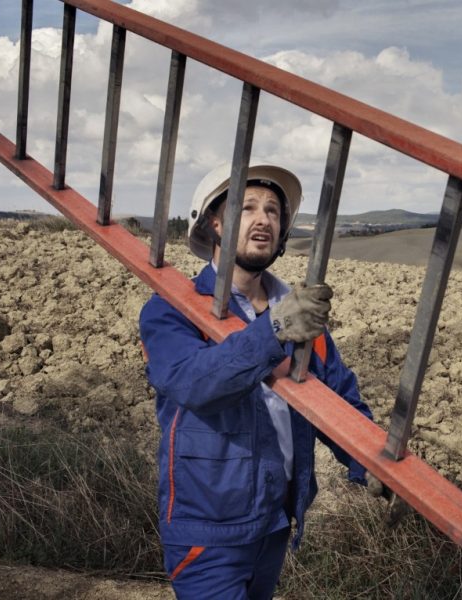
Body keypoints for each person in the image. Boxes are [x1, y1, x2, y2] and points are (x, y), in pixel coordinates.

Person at [139, 163, 373, 599]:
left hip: (275, 520)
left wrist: (372, 464)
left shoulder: (296, 311)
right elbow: (196, 383)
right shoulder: (173, 309)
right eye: (246, 208)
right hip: (208, 528)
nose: (263, 219)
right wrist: (275, 329)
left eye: (272, 210)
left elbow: (337, 400)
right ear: (214, 223)